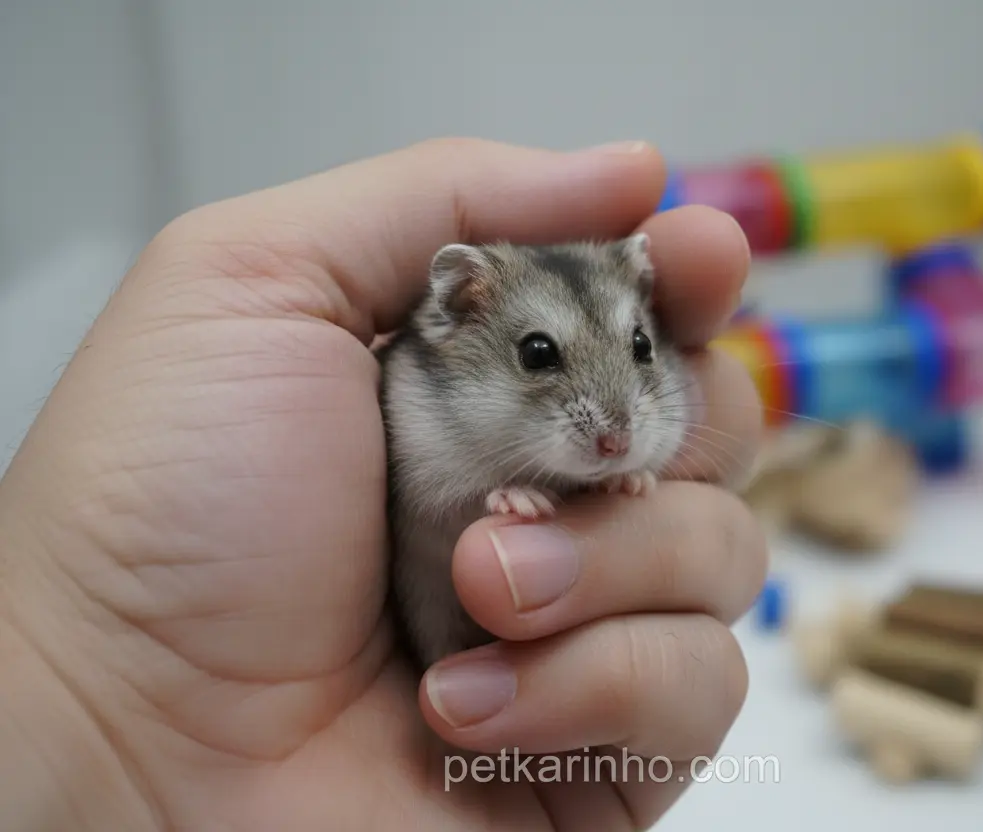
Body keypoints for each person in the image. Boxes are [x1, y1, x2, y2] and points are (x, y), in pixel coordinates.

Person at [0, 137, 766, 830]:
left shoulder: (635, 394)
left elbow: (637, 428)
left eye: (637, 349)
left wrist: (634, 475)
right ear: (462, 313)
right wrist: (81, 670)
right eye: (540, 355)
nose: (614, 430)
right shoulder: (413, 398)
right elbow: (427, 507)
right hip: (422, 653)